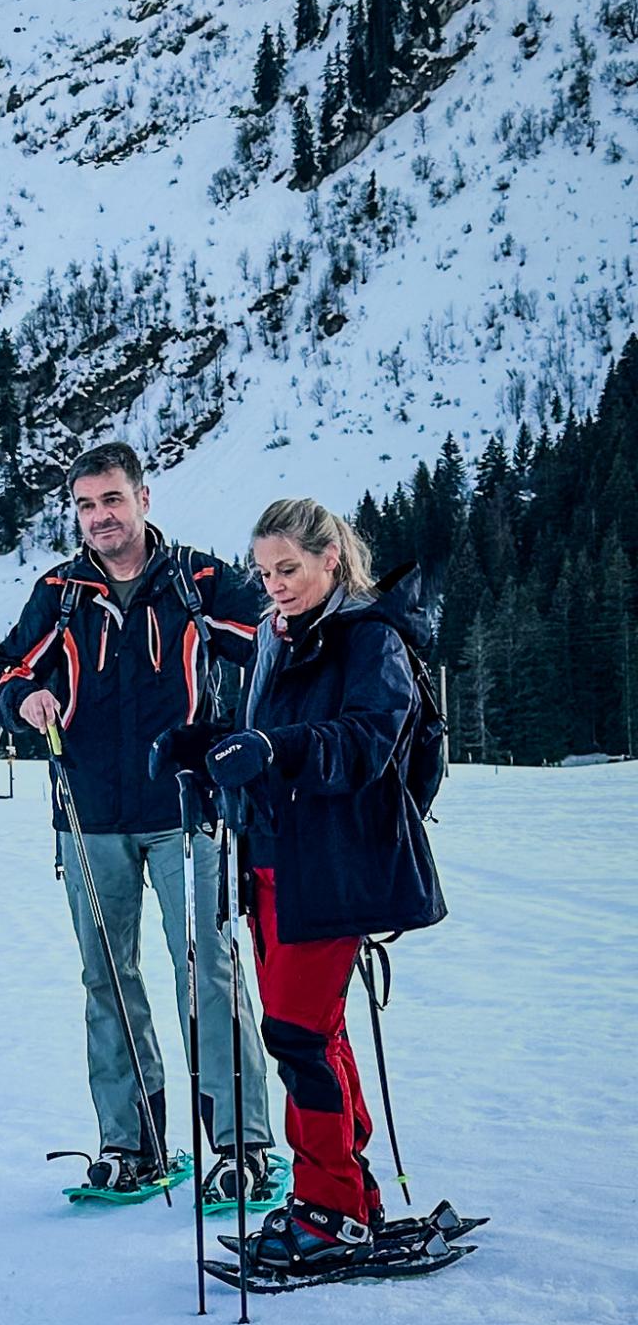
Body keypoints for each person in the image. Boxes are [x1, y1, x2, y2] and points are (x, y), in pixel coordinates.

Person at [0, 441, 276, 1200]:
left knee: (208, 970)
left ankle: (241, 1146)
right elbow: (7, 676)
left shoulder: (200, 581)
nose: (99, 518)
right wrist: (26, 701)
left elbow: (276, 651)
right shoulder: (61, 592)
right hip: (89, 818)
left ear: (143, 499)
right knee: (107, 978)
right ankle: (132, 1145)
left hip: (189, 812)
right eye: (85, 506)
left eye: (111, 500)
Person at [191, 497, 445, 1272]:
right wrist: (201, 749)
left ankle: (332, 1208)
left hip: (334, 867)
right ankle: (344, 1200)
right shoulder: (283, 637)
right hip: (272, 865)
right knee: (316, 1034)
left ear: (331, 559)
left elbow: (369, 740)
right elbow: (268, 744)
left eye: (289, 569)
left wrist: (275, 746)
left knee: (298, 1038)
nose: (273, 585)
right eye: (263, 571)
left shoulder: (370, 637)